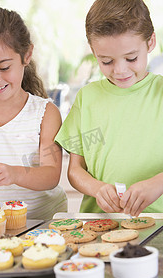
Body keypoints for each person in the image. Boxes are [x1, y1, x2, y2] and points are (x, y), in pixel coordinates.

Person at [55, 0, 163, 217]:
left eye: (131, 58)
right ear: (93, 51)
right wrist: (97, 189)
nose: (120, 70)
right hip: (99, 223)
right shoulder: (87, 98)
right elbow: (75, 170)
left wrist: (157, 183)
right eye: (106, 61)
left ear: (150, 42)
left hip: (158, 221)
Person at [0, 8, 67, 220]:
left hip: (43, 222)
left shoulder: (46, 113)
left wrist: (14, 173)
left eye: (4, 67)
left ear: (26, 55)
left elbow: (51, 175)